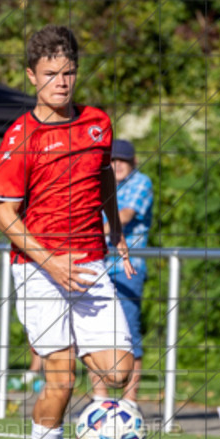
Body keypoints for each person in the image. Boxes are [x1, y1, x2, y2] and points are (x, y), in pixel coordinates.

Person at [0, 24, 136, 439]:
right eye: (51, 74)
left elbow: (104, 177)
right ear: (32, 76)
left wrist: (115, 229)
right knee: (62, 377)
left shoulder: (97, 123)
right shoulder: (21, 136)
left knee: (118, 371)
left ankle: (94, 424)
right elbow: (5, 215)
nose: (61, 82)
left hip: (90, 262)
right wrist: (50, 263)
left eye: (68, 72)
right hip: (38, 268)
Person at [93, 139, 153, 405]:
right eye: (113, 160)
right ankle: (100, 400)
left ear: (133, 162)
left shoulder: (141, 182)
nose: (117, 165)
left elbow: (125, 215)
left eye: (123, 161)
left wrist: (91, 233)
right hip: (97, 266)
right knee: (93, 333)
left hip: (126, 269)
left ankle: (130, 402)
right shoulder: (99, 182)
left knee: (129, 332)